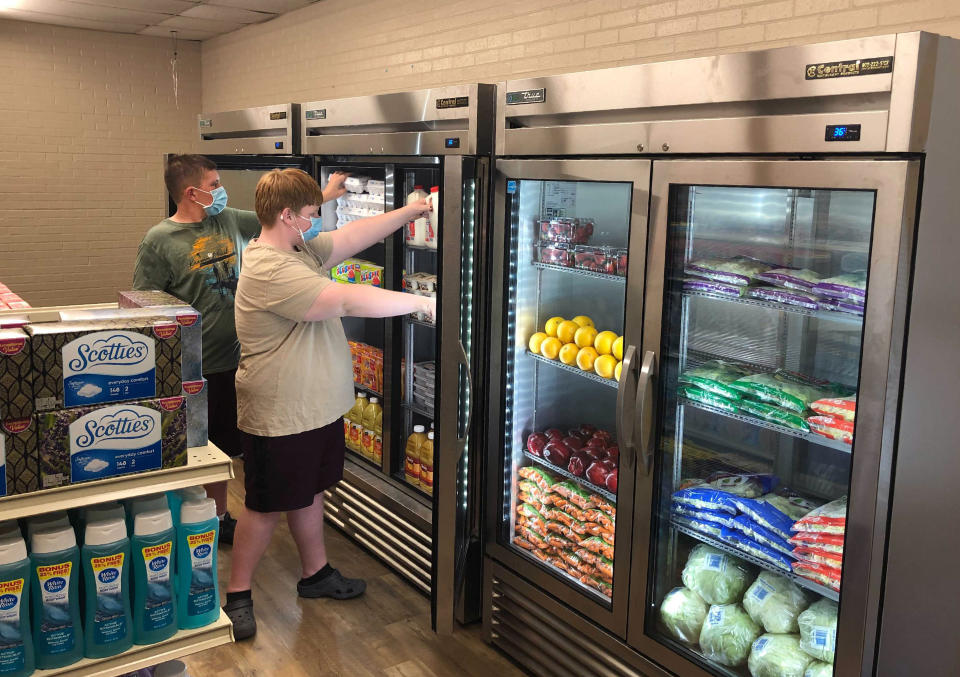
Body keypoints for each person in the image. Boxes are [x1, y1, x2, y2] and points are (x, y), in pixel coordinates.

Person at [222, 168, 434, 640]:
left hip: (313, 408)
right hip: (281, 412)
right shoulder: (269, 268)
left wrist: (410, 211)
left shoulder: (297, 249)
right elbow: (344, 302)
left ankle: (315, 574)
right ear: (287, 216)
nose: (318, 221)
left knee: (309, 490)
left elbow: (351, 236)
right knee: (264, 506)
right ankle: (237, 596)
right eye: (312, 214)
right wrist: (423, 303)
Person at [133, 154, 347, 544]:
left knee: (232, 448)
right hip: (196, 366)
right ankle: (210, 522)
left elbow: (281, 218)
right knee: (206, 451)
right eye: (213, 184)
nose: (220, 190)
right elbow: (144, 304)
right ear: (189, 192)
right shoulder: (159, 241)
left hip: (245, 359)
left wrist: (325, 196)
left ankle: (224, 518)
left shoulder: (227, 218)